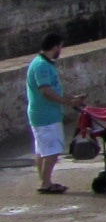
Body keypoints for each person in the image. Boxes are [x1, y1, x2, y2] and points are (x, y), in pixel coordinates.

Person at [26, 33, 87, 194]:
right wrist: (68, 102)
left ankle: (45, 181)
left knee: (43, 151)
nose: (61, 50)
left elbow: (54, 91)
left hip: (44, 114)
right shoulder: (41, 66)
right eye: (60, 47)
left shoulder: (44, 64)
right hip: (46, 115)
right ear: (54, 47)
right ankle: (46, 183)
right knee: (53, 150)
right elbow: (46, 91)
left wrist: (72, 99)